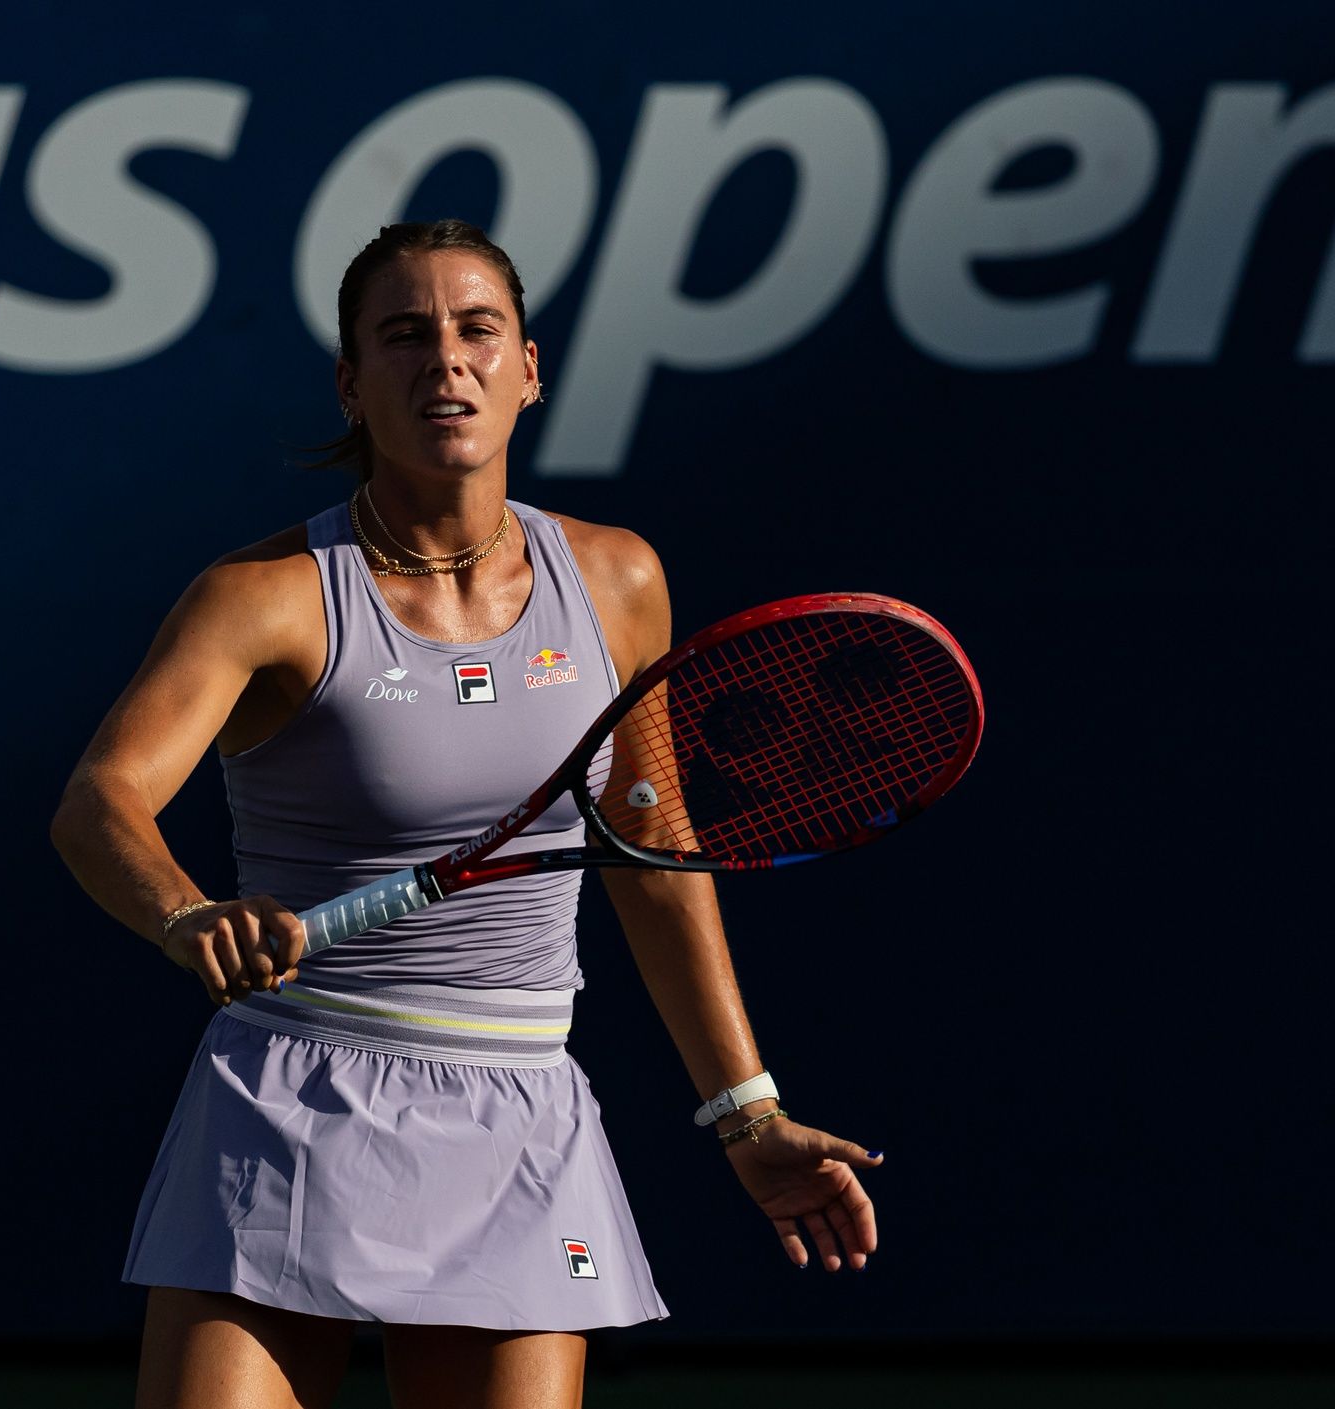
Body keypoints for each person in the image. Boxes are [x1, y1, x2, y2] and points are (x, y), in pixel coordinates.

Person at [49, 219, 882, 1409]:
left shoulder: (615, 580)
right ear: (352, 382)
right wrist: (186, 915)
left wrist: (748, 1111)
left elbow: (651, 856)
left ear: (526, 367)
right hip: (290, 1093)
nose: (446, 358)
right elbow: (100, 798)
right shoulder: (264, 598)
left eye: (476, 328)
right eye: (403, 334)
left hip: (515, 1111)